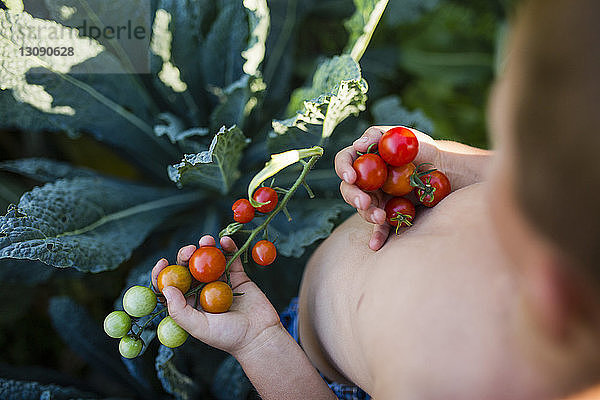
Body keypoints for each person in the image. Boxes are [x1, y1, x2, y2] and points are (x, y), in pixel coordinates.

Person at [151, 0, 600, 398]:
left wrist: (260, 341)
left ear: (554, 293)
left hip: (305, 367)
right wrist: (444, 161)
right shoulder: (572, 203)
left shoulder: (444, 383)